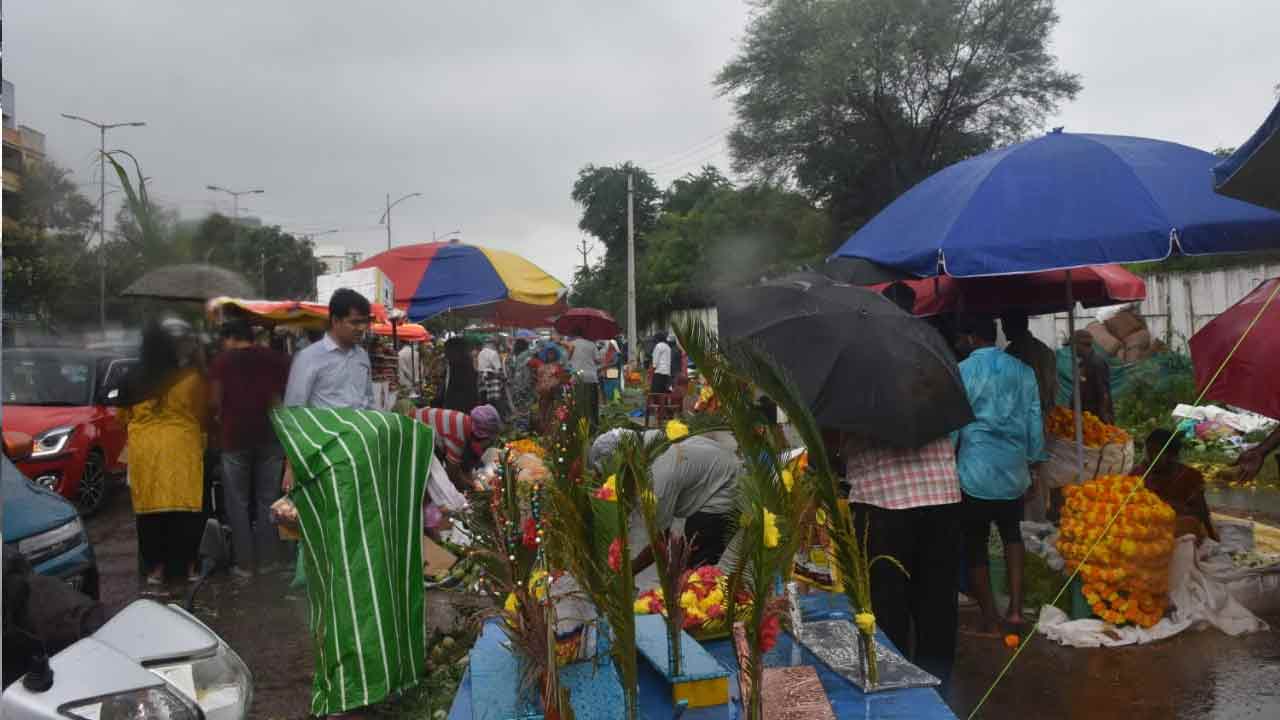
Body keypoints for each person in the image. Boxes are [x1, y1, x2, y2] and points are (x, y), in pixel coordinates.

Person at [843, 430, 962, 688]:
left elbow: (834, 441)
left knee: (887, 614)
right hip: (941, 494)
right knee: (938, 610)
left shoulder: (856, 393)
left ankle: (895, 697)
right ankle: (937, 698)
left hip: (882, 500)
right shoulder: (934, 388)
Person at [954, 314, 1045, 635]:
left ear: (970, 339)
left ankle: (991, 617)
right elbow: (1035, 421)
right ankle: (1017, 611)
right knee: (1012, 534)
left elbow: (954, 423)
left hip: (973, 472)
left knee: (975, 544)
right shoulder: (1023, 372)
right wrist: (1034, 464)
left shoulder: (962, 372)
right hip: (1013, 470)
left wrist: (950, 460)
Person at [117, 319, 208, 586]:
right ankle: (190, 568)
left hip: (145, 453)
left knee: (150, 512)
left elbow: (121, 418)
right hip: (183, 450)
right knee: (186, 511)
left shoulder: (130, 378)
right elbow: (203, 414)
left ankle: (156, 570)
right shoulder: (190, 378)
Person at [589, 430, 741, 572]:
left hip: (726, 487)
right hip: (714, 461)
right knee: (686, 550)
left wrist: (628, 573)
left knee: (695, 569)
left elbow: (660, 543)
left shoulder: (658, 480)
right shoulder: (645, 441)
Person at [209, 319, 290, 578]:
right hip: (271, 435)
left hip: (235, 439)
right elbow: (283, 396)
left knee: (238, 502)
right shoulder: (276, 359)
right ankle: (269, 561)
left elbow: (214, 401)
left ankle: (244, 564)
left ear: (230, 337)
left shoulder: (222, 362)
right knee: (268, 499)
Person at [1137, 429, 1219, 542]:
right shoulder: (1138, 473)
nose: (1151, 458)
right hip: (1144, 526)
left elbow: (1202, 512)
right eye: (1148, 452)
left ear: (1172, 455)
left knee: (1189, 523)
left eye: (1157, 453)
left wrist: (1212, 536)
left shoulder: (1190, 476)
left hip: (1179, 527)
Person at [405, 404, 501, 475]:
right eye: (488, 441)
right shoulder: (459, 435)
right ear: (481, 436)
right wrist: (469, 486)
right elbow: (452, 473)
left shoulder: (464, 419)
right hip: (408, 436)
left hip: (412, 428)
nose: (486, 446)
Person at [1070, 329, 1114, 424]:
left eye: (1072, 346)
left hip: (1096, 419)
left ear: (1080, 345)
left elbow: (1104, 393)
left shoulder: (1097, 363)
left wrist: (1104, 418)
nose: (1071, 349)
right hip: (1085, 418)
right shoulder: (1082, 364)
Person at [568, 334, 601, 431]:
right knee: (592, 404)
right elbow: (598, 360)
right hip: (590, 378)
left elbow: (567, 360)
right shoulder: (591, 344)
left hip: (576, 378)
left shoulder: (570, 344)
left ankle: (579, 427)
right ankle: (593, 427)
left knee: (578, 404)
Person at [437, 337, 479, 412]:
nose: (445, 354)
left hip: (459, 410)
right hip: (455, 409)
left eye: (446, 350)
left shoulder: (461, 368)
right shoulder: (452, 366)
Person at [477, 337, 506, 410]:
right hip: (492, 380)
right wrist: (504, 378)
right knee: (495, 402)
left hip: (482, 380)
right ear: (492, 344)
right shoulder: (494, 353)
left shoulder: (480, 353)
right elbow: (498, 369)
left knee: (484, 401)